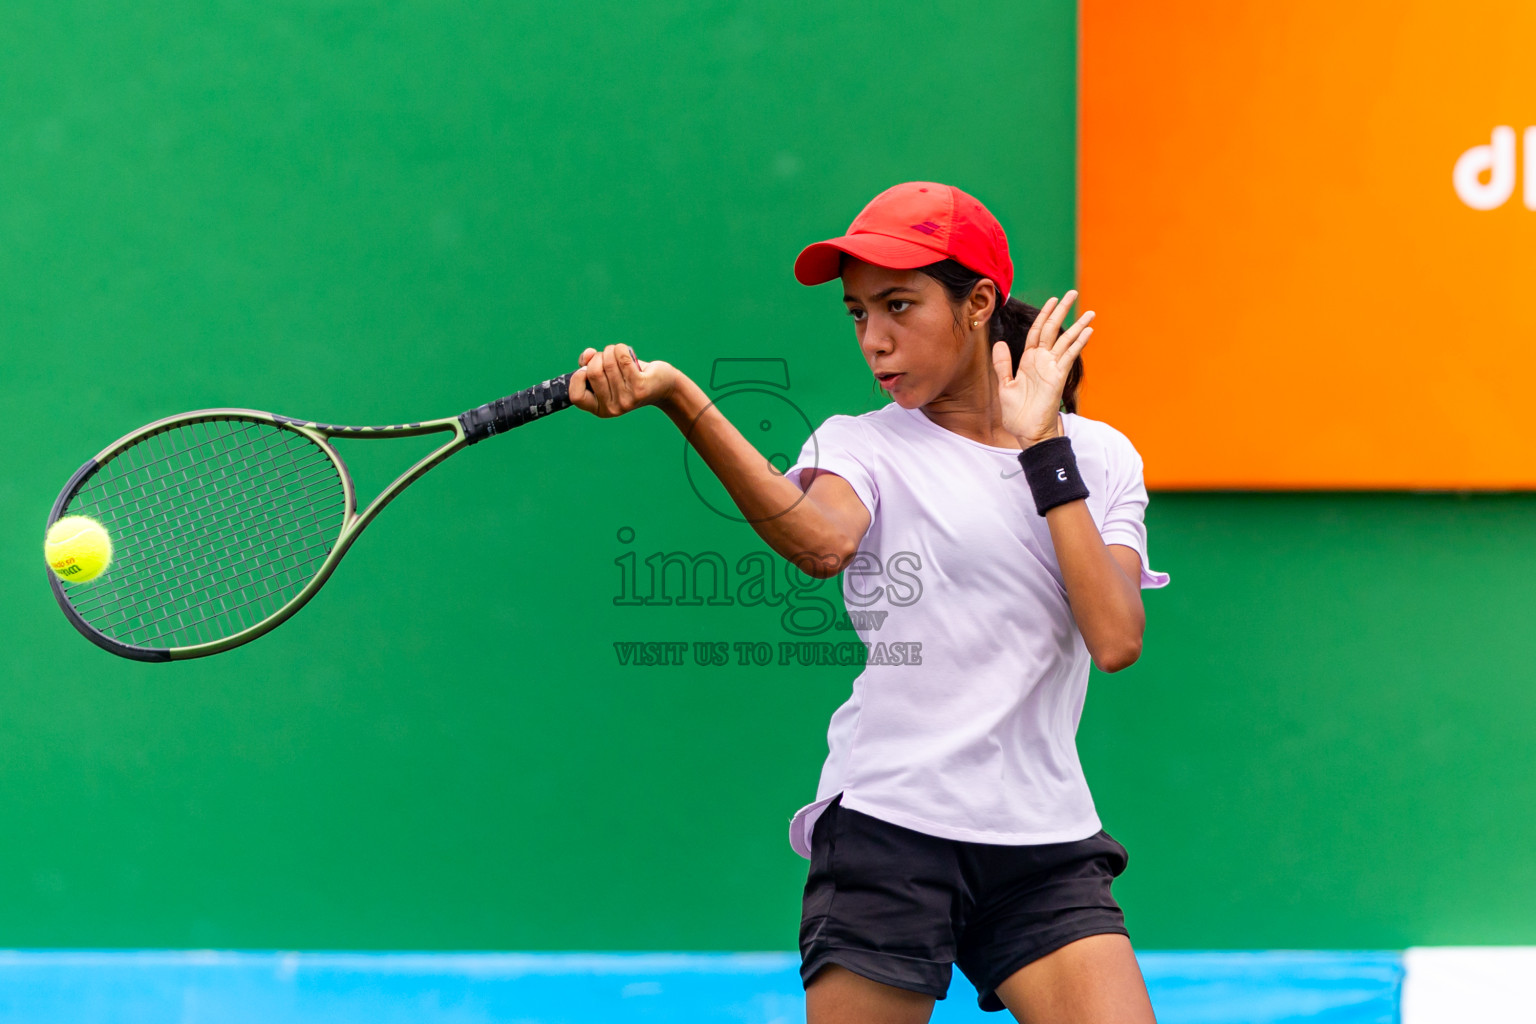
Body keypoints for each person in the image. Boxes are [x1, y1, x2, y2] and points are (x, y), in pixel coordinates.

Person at [568, 180, 1169, 1024]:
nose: (875, 342)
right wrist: (680, 397)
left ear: (978, 304)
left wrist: (1042, 448)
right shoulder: (859, 445)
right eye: (856, 315)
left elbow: (1114, 636)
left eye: (898, 306)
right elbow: (821, 542)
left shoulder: (1100, 457)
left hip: (1042, 840)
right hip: (891, 829)